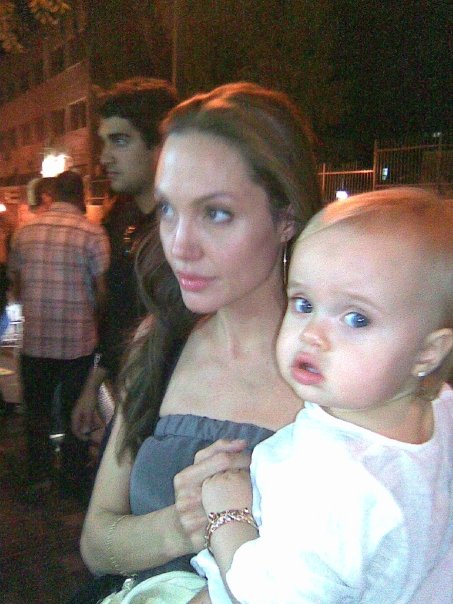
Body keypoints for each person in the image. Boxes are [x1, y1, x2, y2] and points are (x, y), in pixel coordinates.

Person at [73, 82, 321, 603]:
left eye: (216, 213)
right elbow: (96, 543)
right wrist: (186, 521)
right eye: (168, 210)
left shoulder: (343, 373)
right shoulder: (161, 342)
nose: (180, 245)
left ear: (286, 217)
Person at [193, 188, 453, 603]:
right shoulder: (440, 409)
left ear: (427, 352)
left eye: (356, 318)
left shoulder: (334, 483)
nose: (312, 334)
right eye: (303, 303)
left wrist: (228, 513)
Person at [71, 77, 178, 442]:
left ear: (160, 144)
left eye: (120, 140)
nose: (104, 158)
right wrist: (94, 385)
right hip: (129, 405)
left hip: (167, 415)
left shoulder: (185, 235)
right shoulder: (123, 220)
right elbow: (119, 316)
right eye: (104, 142)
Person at [8, 170, 110, 500]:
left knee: (37, 415)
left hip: (35, 343)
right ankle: (71, 479)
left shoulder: (25, 232)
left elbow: (16, 285)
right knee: (75, 414)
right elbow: (102, 290)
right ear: (81, 196)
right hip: (78, 344)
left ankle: (39, 477)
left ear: (52, 194)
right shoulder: (93, 233)